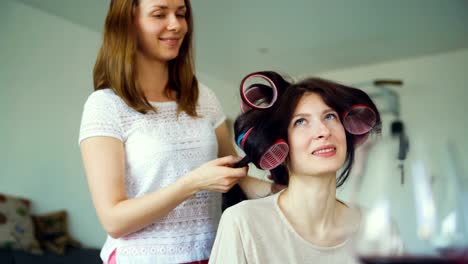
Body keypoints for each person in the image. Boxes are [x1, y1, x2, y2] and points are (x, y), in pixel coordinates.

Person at [78, 1, 272, 263]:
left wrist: (283, 193)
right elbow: (114, 220)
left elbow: (235, 176)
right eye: (160, 14)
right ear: (128, 23)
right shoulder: (106, 105)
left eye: (181, 14)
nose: (176, 24)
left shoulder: (203, 97)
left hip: (214, 254)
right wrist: (193, 183)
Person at [209, 74, 402, 263]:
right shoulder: (243, 223)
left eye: (330, 116)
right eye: (300, 121)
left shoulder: (379, 229)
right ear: (277, 145)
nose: (324, 131)